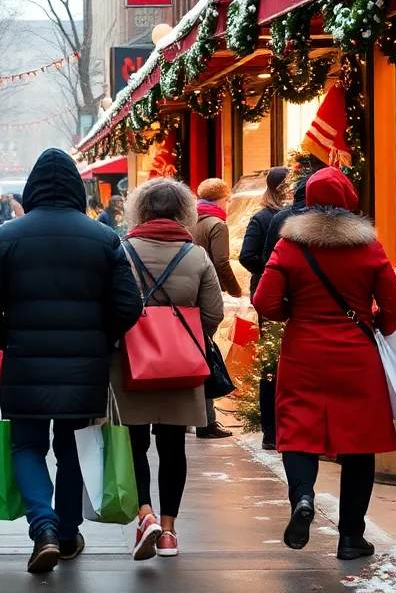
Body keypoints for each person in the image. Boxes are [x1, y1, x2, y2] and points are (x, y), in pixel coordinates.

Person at [0, 148, 143, 574]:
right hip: (84, 366)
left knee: (26, 446)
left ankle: (43, 526)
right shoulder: (103, 237)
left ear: (31, 189)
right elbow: (129, 306)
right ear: (75, 189)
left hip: (25, 364)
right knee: (73, 449)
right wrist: (99, 338)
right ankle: (67, 534)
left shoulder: (8, 237)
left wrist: (11, 340)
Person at [252, 167, 396, 561]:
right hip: (357, 356)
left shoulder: (289, 245)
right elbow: (395, 308)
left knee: (298, 432)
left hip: (303, 354)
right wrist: (374, 324)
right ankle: (351, 537)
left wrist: (295, 314)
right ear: (350, 202)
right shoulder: (369, 247)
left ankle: (303, 497)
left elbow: (265, 302)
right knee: (359, 443)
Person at [114, 178, 224, 561]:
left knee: (134, 444)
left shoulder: (122, 251)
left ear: (140, 210)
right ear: (183, 211)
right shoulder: (196, 256)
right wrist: (184, 337)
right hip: (182, 365)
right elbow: (214, 314)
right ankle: (170, 532)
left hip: (130, 362)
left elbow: (109, 307)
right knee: (173, 446)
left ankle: (144, 514)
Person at [239, 166, 289, 451]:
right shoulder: (264, 217)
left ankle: (273, 431)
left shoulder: (272, 216)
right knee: (273, 362)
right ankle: (271, 429)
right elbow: (247, 256)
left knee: (274, 361)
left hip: (273, 295)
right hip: (272, 296)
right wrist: (273, 270)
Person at [191, 178, 241, 439]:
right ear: (222, 199)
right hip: (207, 293)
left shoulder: (190, 219)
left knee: (192, 355)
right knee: (207, 356)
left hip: (188, 295)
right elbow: (221, 262)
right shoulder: (217, 224)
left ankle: (191, 417)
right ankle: (207, 421)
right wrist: (235, 289)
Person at [239, 167, 289, 296]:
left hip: (265, 286)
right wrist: (270, 269)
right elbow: (247, 257)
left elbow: (247, 256)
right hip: (273, 286)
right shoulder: (263, 218)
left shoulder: (261, 217)